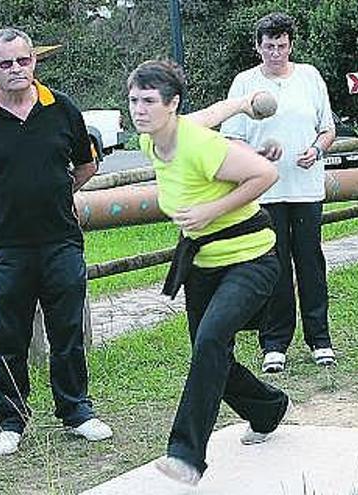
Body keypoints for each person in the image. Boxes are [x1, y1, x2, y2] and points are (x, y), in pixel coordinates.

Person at [0, 28, 112, 456]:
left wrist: (54, 193)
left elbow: (86, 165)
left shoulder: (63, 108)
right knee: (4, 337)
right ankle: (8, 421)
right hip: (4, 248)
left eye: (24, 61)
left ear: (34, 61)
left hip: (61, 242)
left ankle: (77, 412)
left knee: (67, 332)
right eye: (6, 63)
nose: (16, 69)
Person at [127, 60, 291, 487]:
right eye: (133, 100)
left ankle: (186, 454)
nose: (138, 109)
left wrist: (210, 210)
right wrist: (242, 104)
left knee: (211, 340)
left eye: (148, 101)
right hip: (202, 264)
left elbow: (265, 173)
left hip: (251, 258)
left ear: (172, 105)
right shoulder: (153, 141)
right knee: (210, 352)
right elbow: (212, 113)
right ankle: (267, 408)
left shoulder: (200, 146)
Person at [220, 12, 337, 374]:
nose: (276, 52)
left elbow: (327, 129)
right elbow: (231, 138)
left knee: (310, 263)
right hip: (264, 190)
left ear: (291, 45)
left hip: (305, 188)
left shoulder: (310, 77)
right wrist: (256, 156)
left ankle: (320, 339)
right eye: (269, 46)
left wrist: (316, 151)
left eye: (282, 45)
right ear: (258, 47)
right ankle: (274, 343)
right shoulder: (244, 83)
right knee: (274, 265)